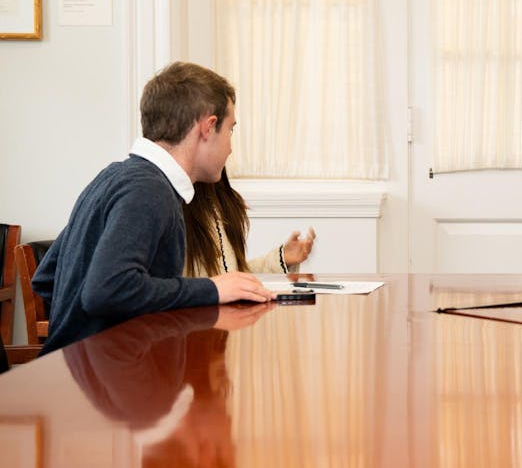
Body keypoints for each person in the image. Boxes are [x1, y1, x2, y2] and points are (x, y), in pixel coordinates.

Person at [33, 62, 276, 355]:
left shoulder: (115, 176)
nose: (230, 148)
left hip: (75, 373)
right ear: (208, 127)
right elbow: (105, 290)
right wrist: (212, 289)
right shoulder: (149, 191)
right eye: (230, 130)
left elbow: (47, 277)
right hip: (101, 385)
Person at [183, 168, 315, 277]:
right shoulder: (175, 207)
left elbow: (235, 277)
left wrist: (281, 259)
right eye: (227, 134)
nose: (230, 149)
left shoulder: (223, 202)